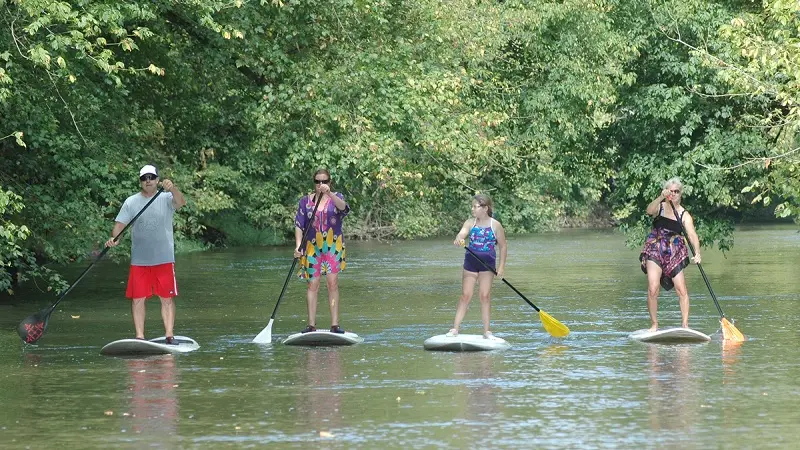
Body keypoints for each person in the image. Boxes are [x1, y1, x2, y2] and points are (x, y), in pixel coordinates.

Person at [106, 165, 186, 342]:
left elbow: (181, 202)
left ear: (157, 180)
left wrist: (172, 188)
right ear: (140, 182)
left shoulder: (166, 198)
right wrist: (115, 239)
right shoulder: (131, 202)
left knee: (166, 298)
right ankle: (140, 337)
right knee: (137, 299)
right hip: (140, 260)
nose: (148, 180)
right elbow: (119, 225)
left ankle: (169, 335)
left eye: (151, 177)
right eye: (144, 178)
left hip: (163, 258)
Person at [640, 177, 701, 331]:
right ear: (667, 192)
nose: (673, 194)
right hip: (655, 248)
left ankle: (685, 325)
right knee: (653, 288)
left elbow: (692, 235)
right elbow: (648, 211)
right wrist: (661, 196)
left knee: (681, 289)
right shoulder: (660, 207)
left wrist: (698, 253)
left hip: (674, 251)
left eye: (676, 192)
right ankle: (654, 324)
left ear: (681, 194)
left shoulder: (684, 214)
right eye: (671, 191)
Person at [294, 169, 350, 334]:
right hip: (312, 247)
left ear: (329, 182)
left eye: (324, 181)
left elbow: (344, 208)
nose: (320, 185)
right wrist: (298, 246)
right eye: (317, 182)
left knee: (332, 284)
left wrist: (329, 194)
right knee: (312, 285)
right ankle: (311, 325)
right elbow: (299, 224)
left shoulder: (336, 197)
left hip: (333, 246)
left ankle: (335, 325)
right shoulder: (305, 202)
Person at [448, 194, 507, 339]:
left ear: (485, 208)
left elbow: (503, 247)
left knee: (484, 296)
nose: (473, 209)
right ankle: (454, 329)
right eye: (472, 206)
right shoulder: (470, 222)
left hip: (487, 266)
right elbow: (461, 235)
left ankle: (487, 331)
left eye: (476, 206)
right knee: (466, 295)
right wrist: (459, 239)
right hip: (470, 264)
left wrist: (501, 268)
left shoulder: (495, 225)